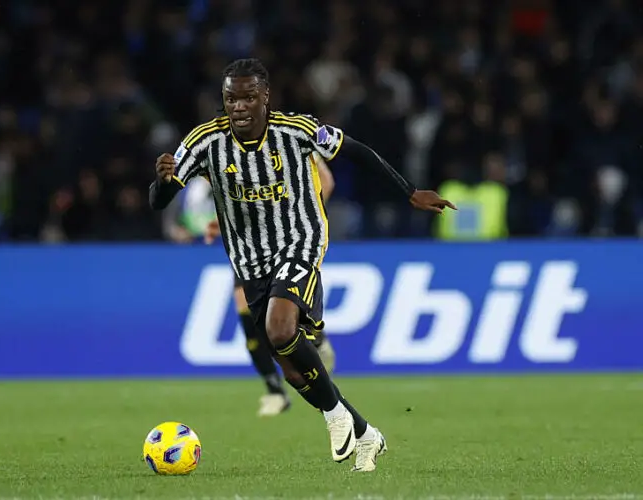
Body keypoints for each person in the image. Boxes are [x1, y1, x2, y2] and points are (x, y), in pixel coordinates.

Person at [149, 58, 456, 472]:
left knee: (280, 330)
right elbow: (161, 199)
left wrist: (409, 191)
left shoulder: (297, 131)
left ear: (265, 98)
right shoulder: (205, 141)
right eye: (230, 99)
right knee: (293, 368)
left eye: (247, 98)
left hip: (299, 241)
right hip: (249, 260)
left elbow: (357, 152)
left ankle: (335, 418)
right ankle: (365, 433)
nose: (238, 106)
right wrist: (163, 183)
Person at [162, 157, 337, 418]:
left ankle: (316, 341)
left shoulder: (292, 138)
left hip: (290, 244)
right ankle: (274, 390)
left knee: (281, 315)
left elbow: (326, 182)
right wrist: (222, 224)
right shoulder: (231, 152)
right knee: (249, 314)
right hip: (250, 249)